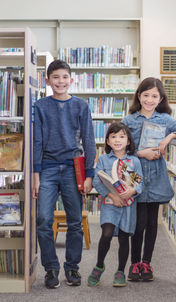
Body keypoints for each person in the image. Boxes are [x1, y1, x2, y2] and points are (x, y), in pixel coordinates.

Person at [122, 77, 176, 282]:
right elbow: (120, 149)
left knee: (151, 222)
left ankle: (146, 264)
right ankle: (134, 263)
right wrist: (141, 154)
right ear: (139, 96)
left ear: (161, 98)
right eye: (145, 95)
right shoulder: (128, 121)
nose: (149, 99)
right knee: (138, 222)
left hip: (156, 175)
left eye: (154, 96)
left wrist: (170, 136)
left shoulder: (165, 120)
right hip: (135, 176)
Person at [32, 60, 96, 289]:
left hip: (73, 169)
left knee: (75, 222)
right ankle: (51, 268)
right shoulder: (40, 106)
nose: (60, 81)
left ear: (71, 80)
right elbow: (37, 142)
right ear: (47, 81)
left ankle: (72, 268)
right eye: (55, 77)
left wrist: (89, 175)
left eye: (64, 77)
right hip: (47, 168)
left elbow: (89, 141)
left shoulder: (81, 106)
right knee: (43, 221)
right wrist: (35, 175)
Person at [87, 122, 143, 287]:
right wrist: (111, 194)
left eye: (121, 136)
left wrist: (132, 191)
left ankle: (120, 271)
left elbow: (140, 183)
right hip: (110, 204)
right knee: (107, 233)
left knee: (124, 238)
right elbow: (98, 180)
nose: (117, 140)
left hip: (128, 206)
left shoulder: (133, 161)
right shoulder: (104, 159)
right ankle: (99, 265)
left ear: (128, 141)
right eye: (113, 137)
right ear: (108, 141)